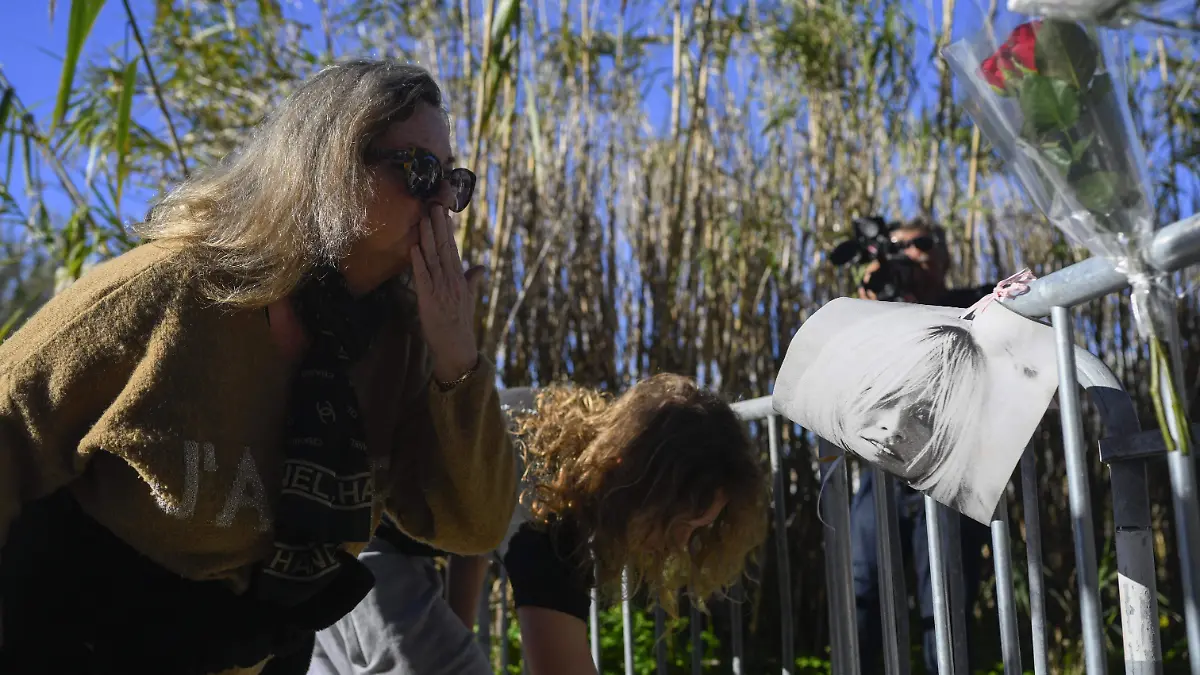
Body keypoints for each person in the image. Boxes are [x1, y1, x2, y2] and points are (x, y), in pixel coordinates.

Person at [0, 59, 518, 675]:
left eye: (452, 180)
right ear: (332, 167)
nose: (441, 205)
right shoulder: (170, 293)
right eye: (419, 171)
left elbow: (476, 525)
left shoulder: (403, 347)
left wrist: (459, 358)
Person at [309, 375, 769, 675]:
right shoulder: (554, 519)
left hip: (326, 516)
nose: (680, 545)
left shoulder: (543, 429)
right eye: (680, 525)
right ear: (635, 478)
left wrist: (456, 633)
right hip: (353, 530)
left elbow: (473, 540)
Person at [850, 216, 995, 673]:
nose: (910, 256)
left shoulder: (976, 305)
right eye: (898, 249)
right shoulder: (873, 315)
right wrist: (868, 311)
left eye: (922, 245)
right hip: (881, 475)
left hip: (949, 474)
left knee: (946, 605)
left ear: (946, 255)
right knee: (862, 593)